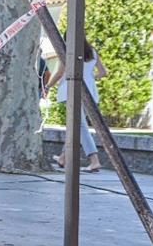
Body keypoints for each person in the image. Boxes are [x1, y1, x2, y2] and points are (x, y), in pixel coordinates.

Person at [44, 41, 108, 172]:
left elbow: (59, 73)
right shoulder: (92, 51)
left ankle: (94, 159)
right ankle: (63, 157)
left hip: (73, 91)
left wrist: (47, 86)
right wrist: (90, 77)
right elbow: (103, 72)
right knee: (75, 125)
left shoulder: (69, 53)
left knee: (79, 126)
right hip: (89, 91)